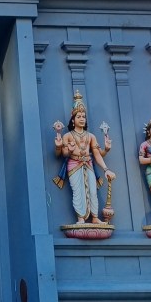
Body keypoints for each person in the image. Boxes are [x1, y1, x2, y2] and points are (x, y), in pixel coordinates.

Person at [54, 93, 114, 224]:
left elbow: (97, 154)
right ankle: (80, 218)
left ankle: (95, 217)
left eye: (83, 117)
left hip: (88, 164)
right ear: (73, 119)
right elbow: (63, 153)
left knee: (93, 191)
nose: (82, 119)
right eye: (79, 116)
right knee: (78, 191)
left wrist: (106, 166)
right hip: (74, 165)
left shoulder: (91, 136)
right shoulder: (68, 136)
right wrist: (67, 150)